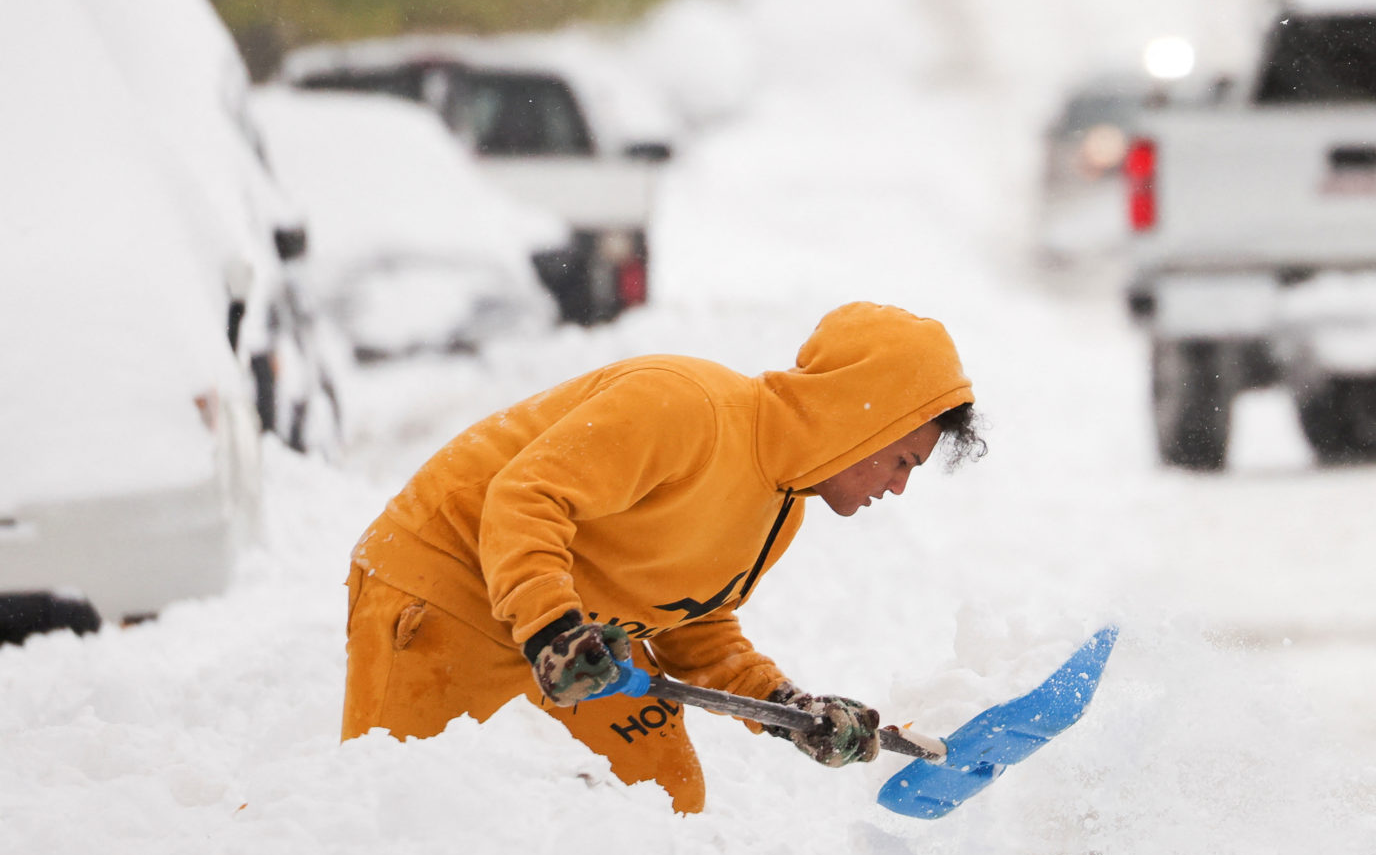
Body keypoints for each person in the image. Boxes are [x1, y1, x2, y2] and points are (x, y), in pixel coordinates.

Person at [340, 302, 978, 813]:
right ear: (857, 419)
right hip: (447, 585)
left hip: (576, 640)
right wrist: (553, 630)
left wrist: (790, 708)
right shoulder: (686, 408)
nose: (897, 486)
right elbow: (525, 498)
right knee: (380, 809)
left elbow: (693, 625)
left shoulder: (779, 507)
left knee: (665, 795)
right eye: (902, 460)